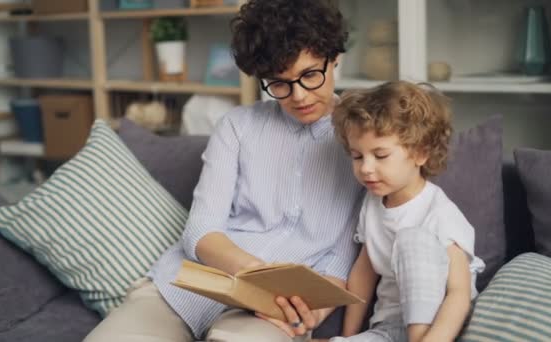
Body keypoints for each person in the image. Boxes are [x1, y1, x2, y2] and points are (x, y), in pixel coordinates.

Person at [84, 1, 364, 341]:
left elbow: (346, 248)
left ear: (334, 58)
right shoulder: (238, 126)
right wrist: (257, 274)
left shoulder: (366, 134)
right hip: (187, 287)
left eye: (309, 75)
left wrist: (314, 311)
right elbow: (201, 230)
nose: (299, 95)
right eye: (279, 83)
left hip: (276, 309)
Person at [327, 81, 486, 342]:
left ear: (420, 154)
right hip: (389, 330)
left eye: (380, 155)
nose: (366, 168)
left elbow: (459, 293)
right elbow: (364, 272)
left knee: (412, 239)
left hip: (442, 328)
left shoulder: (440, 212)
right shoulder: (372, 204)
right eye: (357, 156)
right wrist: (347, 336)